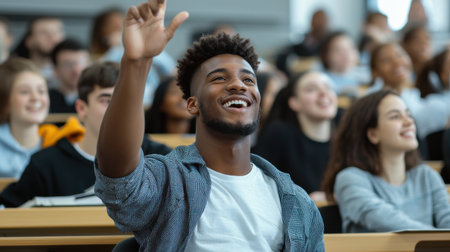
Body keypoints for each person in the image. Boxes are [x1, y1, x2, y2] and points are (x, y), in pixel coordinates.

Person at [94, 1, 324, 251]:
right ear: (192, 105)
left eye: (248, 79)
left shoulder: (296, 201)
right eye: (219, 78)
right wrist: (136, 64)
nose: (239, 85)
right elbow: (118, 178)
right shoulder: (168, 181)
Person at [0, 62, 171, 207]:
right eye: (107, 101)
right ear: (82, 108)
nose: (120, 109)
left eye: (129, 99)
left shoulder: (160, 158)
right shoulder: (45, 165)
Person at [321, 89, 450, 232]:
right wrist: (439, 237)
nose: (409, 122)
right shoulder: (350, 179)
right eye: (395, 117)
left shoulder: (426, 175)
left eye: (408, 114)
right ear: (372, 134)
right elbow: (388, 222)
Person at [253, 71, 338, 202]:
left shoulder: (345, 133)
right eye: (312, 89)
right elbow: (260, 189)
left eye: (328, 87)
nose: (324, 93)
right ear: (294, 102)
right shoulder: (279, 133)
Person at [368, 43, 449, 140]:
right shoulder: (371, 103)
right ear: (374, 72)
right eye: (386, 60)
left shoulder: (412, 95)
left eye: (400, 55)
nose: (397, 62)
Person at [0, 58, 50, 178]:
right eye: (25, 92)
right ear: (5, 102)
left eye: (41, 91)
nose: (36, 98)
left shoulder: (57, 142)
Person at [12, 17, 65, 87]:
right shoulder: (15, 73)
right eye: (44, 33)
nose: (52, 37)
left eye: (56, 32)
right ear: (29, 41)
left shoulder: (72, 72)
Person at [319, 31, 371, 96]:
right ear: (325, 55)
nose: (347, 55)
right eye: (338, 50)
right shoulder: (321, 80)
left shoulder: (367, 76)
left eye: (351, 48)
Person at [49, 39, 91, 113]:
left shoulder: (96, 99)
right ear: (55, 69)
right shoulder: (46, 99)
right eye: (68, 64)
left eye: (81, 63)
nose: (76, 70)